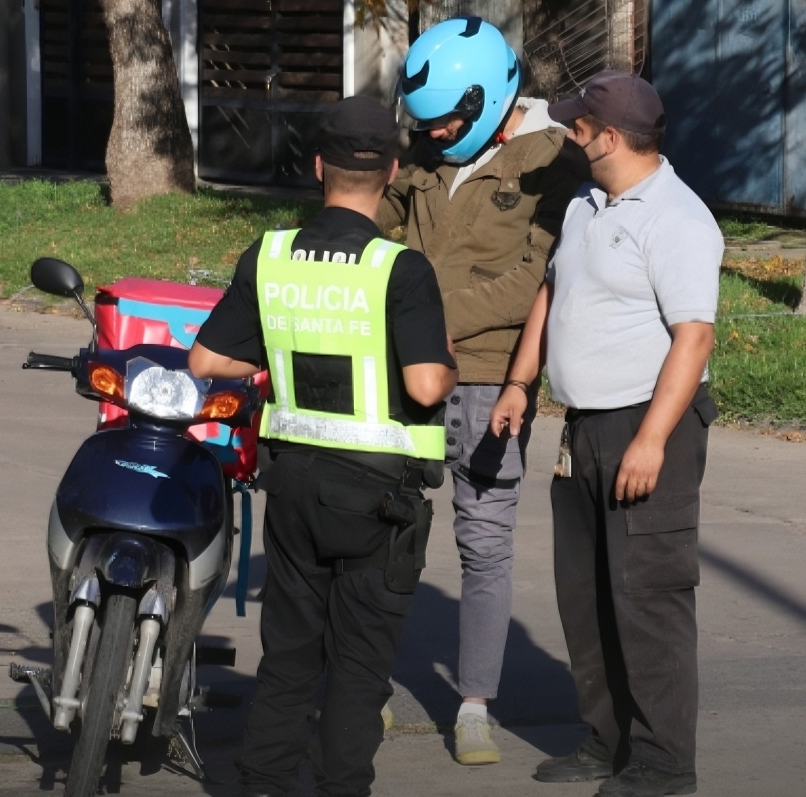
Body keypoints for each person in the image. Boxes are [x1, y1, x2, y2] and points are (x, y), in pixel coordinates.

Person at [188, 95, 457, 797]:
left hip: (295, 486)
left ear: (317, 167)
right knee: (360, 668)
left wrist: (277, 356)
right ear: (393, 171)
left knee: (289, 657)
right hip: (378, 500)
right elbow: (427, 384)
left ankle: (262, 783)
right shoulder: (401, 270)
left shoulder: (270, 256)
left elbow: (207, 362)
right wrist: (448, 357)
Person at [490, 71, 723, 797]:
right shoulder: (588, 204)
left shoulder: (679, 220)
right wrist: (519, 382)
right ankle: (607, 738)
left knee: (648, 598)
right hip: (584, 426)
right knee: (585, 593)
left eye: (579, 127)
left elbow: (694, 338)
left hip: (648, 423)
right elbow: (552, 291)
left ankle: (662, 768)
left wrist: (652, 440)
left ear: (611, 138)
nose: (569, 134)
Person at [378, 15, 590, 766]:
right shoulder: (426, 146)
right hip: (399, 368)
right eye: (425, 126)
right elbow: (382, 220)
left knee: (483, 538)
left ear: (489, 96)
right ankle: (365, 680)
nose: (433, 138)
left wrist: (414, 315)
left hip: (487, 375)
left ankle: (474, 703)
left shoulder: (554, 164)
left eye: (445, 125)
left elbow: (528, 285)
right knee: (376, 525)